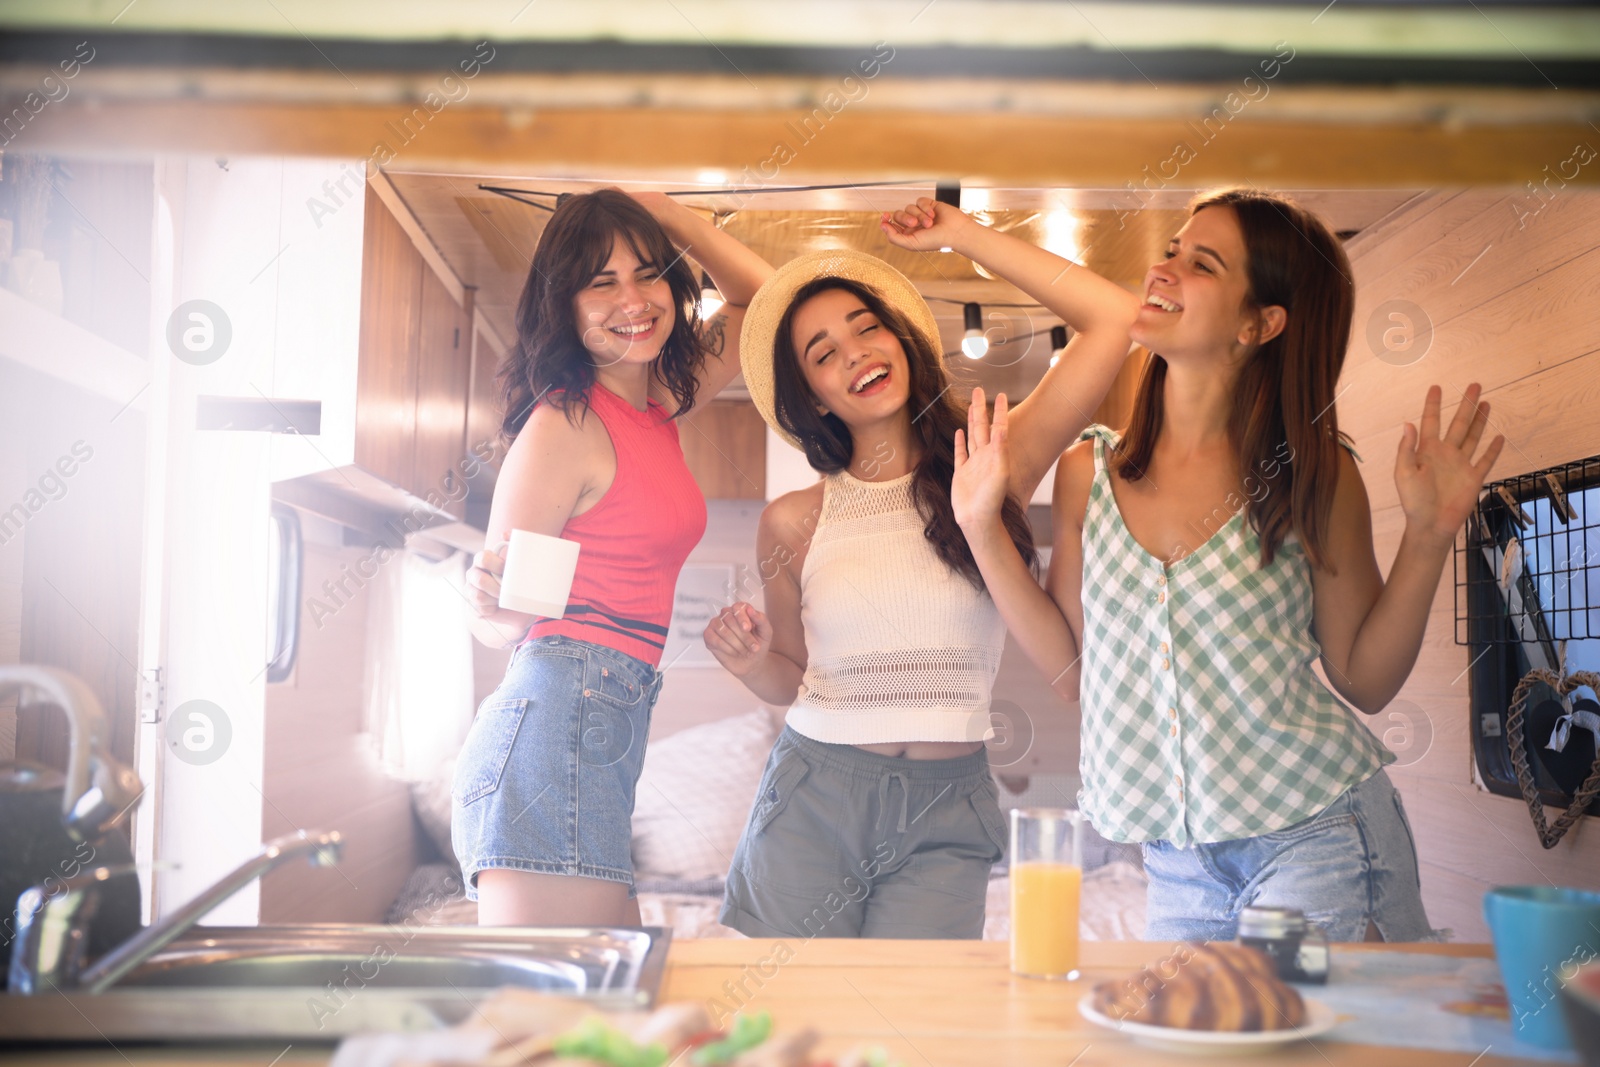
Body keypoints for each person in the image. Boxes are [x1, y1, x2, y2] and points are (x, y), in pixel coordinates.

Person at [946, 188, 1504, 942]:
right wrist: (980, 526)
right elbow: (1077, 673)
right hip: (1178, 865)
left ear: (1260, 323)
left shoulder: (1314, 472)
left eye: (1199, 261)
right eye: (1171, 249)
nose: (1163, 268)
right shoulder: (1089, 470)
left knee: (1294, 1052)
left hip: (1314, 833)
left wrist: (1431, 534)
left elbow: (1366, 680)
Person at [702, 199, 1140, 938]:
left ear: (901, 337)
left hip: (946, 803)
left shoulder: (996, 456)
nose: (855, 353)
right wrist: (751, 665)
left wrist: (964, 236)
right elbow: (792, 674)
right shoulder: (793, 519)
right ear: (812, 395)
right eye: (823, 353)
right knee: (794, 1034)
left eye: (866, 327)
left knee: (917, 1032)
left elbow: (1115, 319)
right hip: (814, 794)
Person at [455, 189, 772, 926]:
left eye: (649, 271)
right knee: (570, 1020)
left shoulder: (655, 406)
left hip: (602, 720)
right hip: (556, 720)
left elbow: (765, 301)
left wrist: (675, 217)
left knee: (599, 1008)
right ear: (564, 305)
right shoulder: (563, 423)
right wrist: (488, 604)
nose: (632, 298)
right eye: (601, 281)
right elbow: (508, 624)